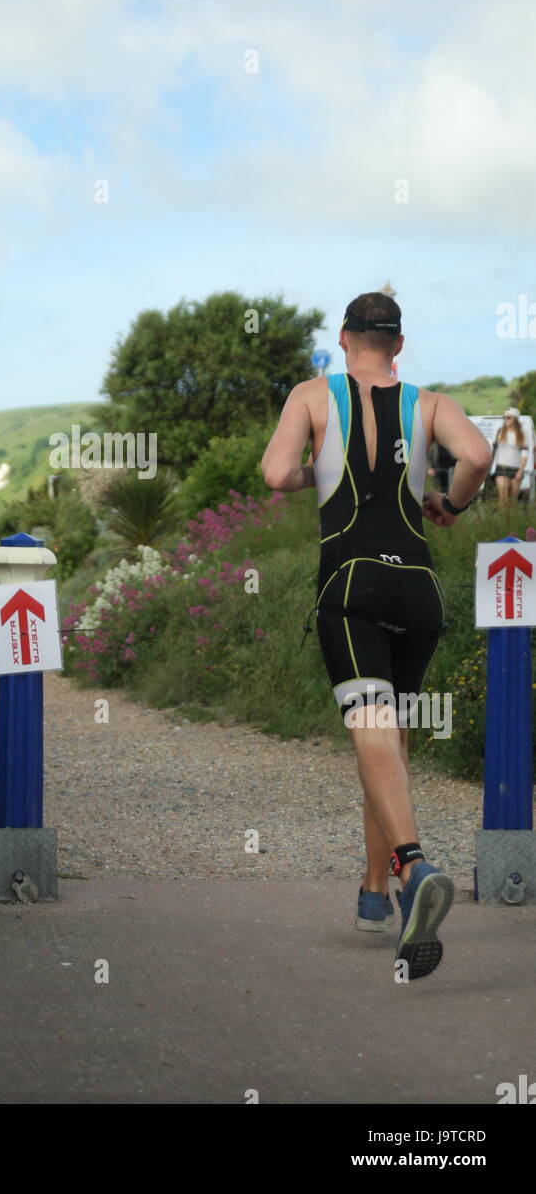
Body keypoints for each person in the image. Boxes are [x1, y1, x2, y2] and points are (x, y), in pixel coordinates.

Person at [261, 291, 492, 981]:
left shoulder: (312, 394)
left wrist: (318, 472)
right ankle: (374, 893)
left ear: (343, 337)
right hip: (419, 588)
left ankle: (416, 868)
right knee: (386, 740)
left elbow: (275, 474)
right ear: (398, 344)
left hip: (352, 585)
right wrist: (450, 503)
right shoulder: (428, 403)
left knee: (369, 727)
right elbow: (477, 455)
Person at [492, 408, 528, 513]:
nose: (506, 419)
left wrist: (521, 470)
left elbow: (524, 454)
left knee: (512, 502)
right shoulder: (500, 431)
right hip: (501, 468)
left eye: (508, 417)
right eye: (504, 417)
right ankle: (502, 523)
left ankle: (511, 525)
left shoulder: (521, 434)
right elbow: (494, 450)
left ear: (515, 419)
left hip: (516, 469)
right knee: (503, 495)